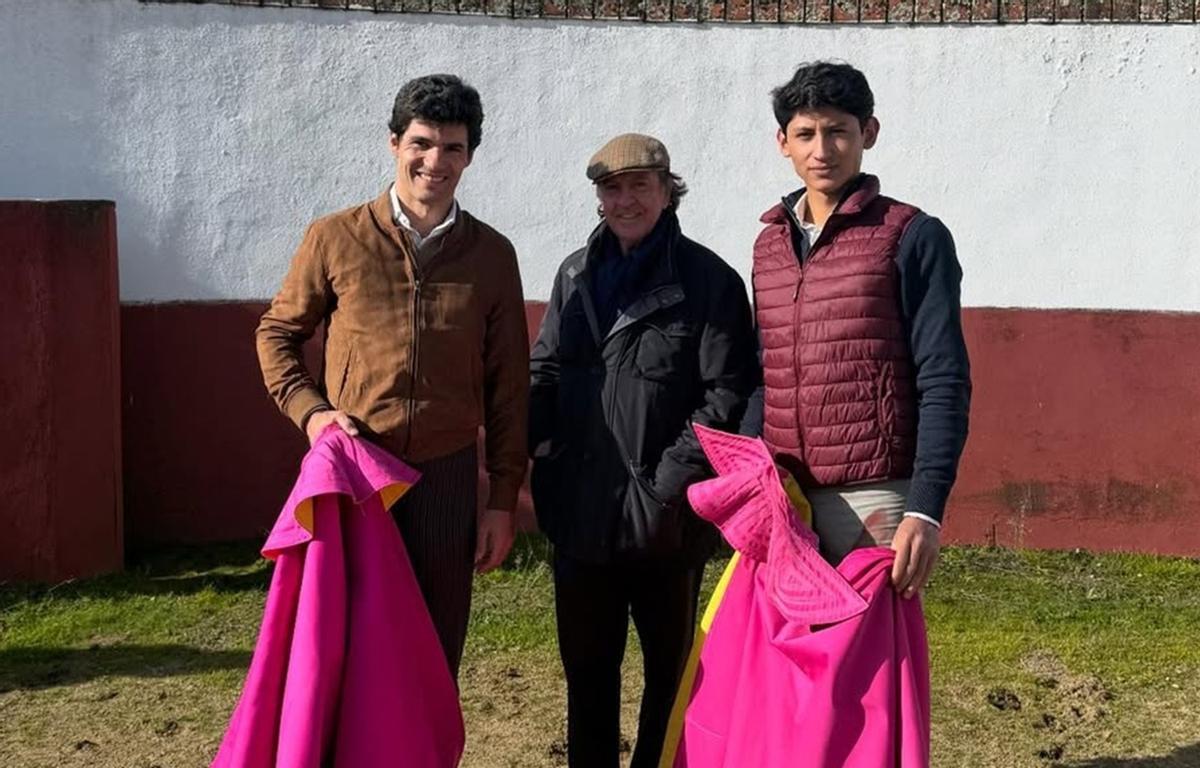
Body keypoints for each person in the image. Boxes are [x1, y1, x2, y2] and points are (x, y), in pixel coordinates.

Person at [255, 74, 529, 678]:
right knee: (344, 650)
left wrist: (502, 500)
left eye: (453, 148)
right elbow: (277, 334)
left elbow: (510, 386)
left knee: (433, 650)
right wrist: (312, 411)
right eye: (422, 143)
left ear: (470, 156)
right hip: (355, 472)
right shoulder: (336, 237)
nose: (436, 162)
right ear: (394, 144)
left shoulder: (491, 253)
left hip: (447, 474)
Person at [528, 134, 759, 768]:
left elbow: (726, 396)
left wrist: (666, 484)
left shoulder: (709, 281)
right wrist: (540, 449)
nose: (625, 200)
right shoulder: (575, 272)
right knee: (587, 679)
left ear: (667, 190)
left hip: (667, 524)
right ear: (598, 199)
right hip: (581, 515)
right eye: (611, 188)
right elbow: (545, 367)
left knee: (672, 682)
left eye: (639, 186)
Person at [745, 60, 971, 596]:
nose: (821, 150)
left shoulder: (915, 236)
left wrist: (925, 507)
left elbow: (944, 378)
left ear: (867, 132)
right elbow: (764, 373)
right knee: (793, 670)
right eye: (805, 133)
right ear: (783, 142)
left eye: (837, 131)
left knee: (867, 669)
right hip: (786, 498)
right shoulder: (769, 245)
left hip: (876, 498)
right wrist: (750, 475)